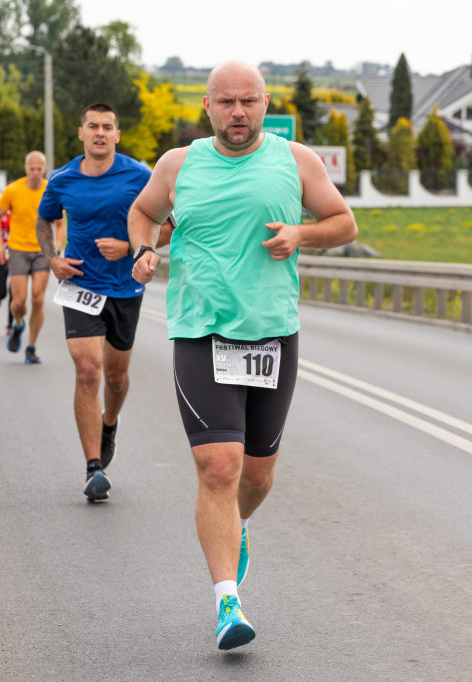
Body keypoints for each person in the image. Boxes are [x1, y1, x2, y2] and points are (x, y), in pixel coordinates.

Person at [127, 60, 358, 651]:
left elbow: (344, 222)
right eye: (226, 102)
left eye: (248, 101)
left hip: (272, 334)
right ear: (207, 106)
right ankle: (227, 601)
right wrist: (142, 250)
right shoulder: (178, 166)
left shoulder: (295, 160)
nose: (238, 113)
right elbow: (144, 214)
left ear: (264, 102)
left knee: (256, 474)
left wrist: (301, 235)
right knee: (220, 467)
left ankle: (240, 525)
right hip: (201, 331)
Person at [36, 102, 173, 502]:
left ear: (117, 134)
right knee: (87, 371)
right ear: (81, 133)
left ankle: (109, 421)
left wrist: (131, 245)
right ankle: (93, 467)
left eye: (107, 127)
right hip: (81, 284)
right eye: (92, 126)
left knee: (115, 378)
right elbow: (45, 219)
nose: (99, 132)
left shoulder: (139, 175)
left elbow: (169, 225)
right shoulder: (62, 179)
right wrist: (53, 259)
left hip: (125, 288)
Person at [0, 151, 62, 364]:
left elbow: (60, 223)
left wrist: (56, 246)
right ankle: (18, 324)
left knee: (38, 299)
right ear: (25, 168)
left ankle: (31, 347)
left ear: (44, 169)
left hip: (42, 251)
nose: (36, 173)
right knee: (19, 302)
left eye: (40, 169)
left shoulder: (51, 189)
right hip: (18, 250)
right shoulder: (13, 190)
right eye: (32, 168)